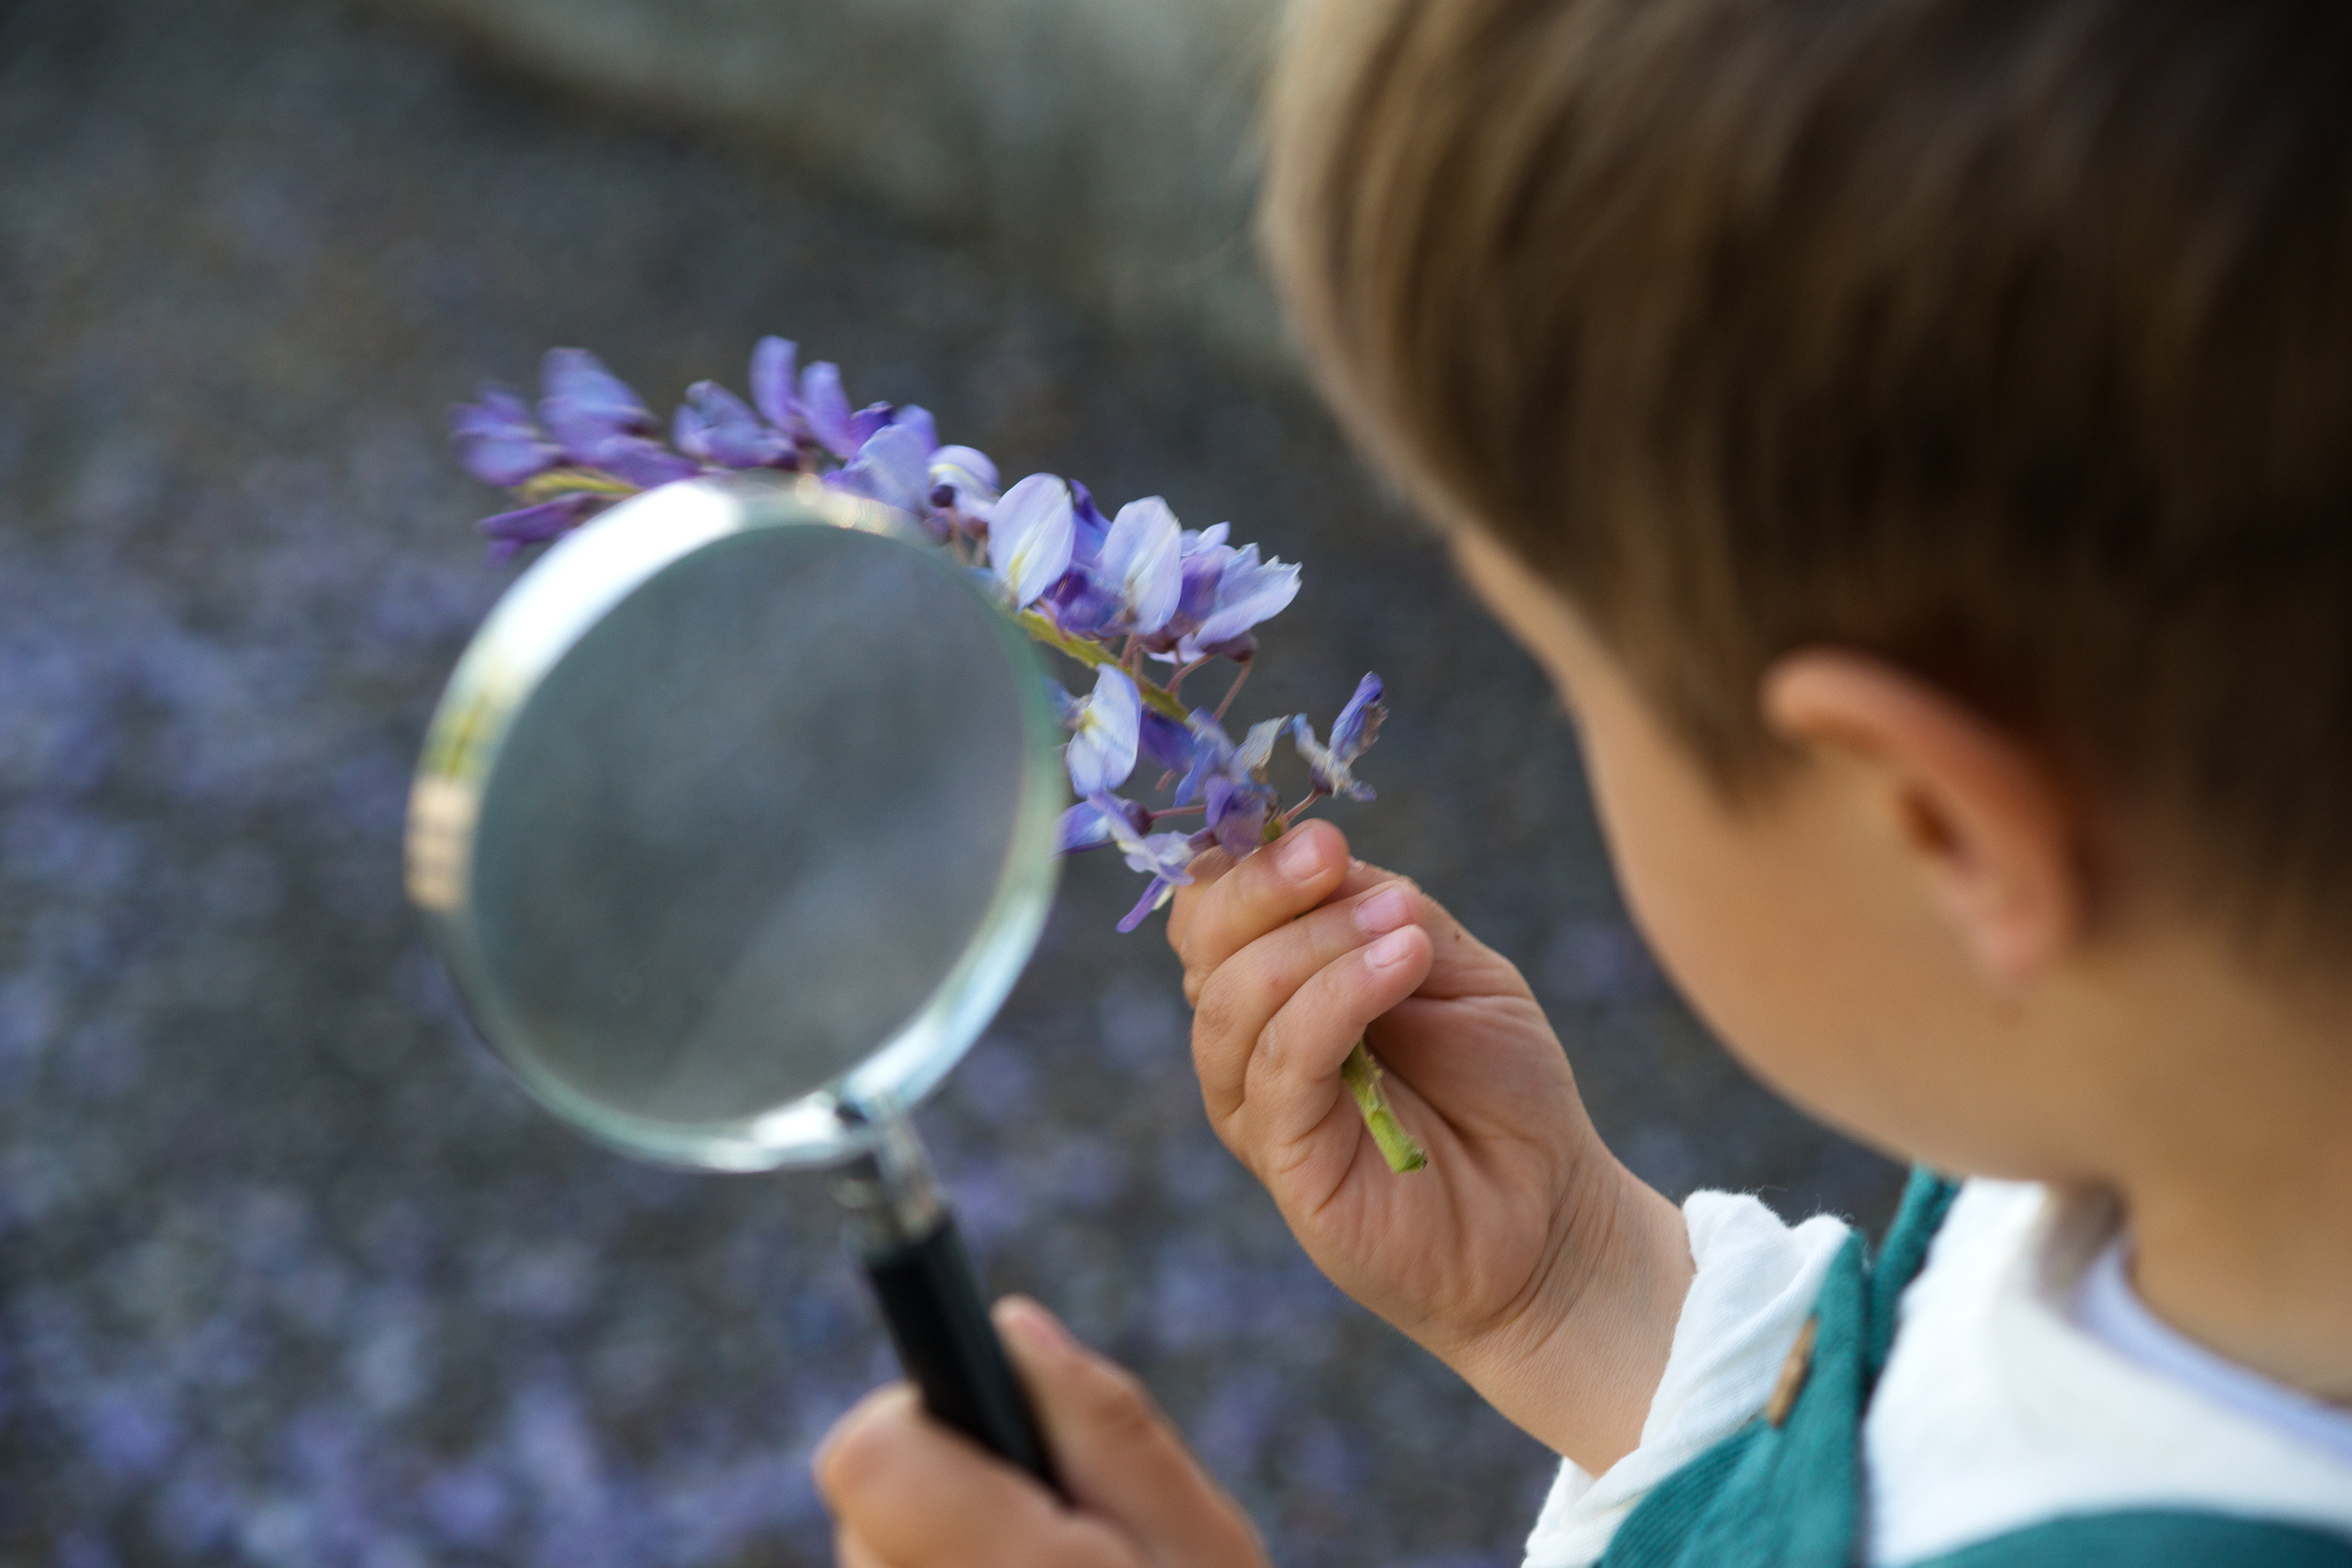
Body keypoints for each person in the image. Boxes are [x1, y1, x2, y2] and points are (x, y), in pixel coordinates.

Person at [812, 0, 2352, 1561]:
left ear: (1938, 825)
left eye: (1573, 679)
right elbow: (1901, 1426)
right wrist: (1584, 1292)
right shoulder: (2136, 1163)